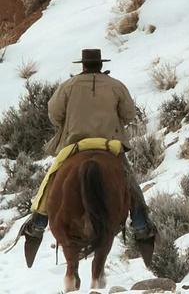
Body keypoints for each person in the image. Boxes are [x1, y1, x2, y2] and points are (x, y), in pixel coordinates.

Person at [18, 48, 156, 265]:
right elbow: (129, 114)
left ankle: (36, 225)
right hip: (109, 146)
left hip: (75, 146)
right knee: (130, 185)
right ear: (100, 65)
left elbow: (54, 114)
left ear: (83, 65)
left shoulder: (67, 87)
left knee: (50, 181)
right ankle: (141, 227)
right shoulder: (116, 85)